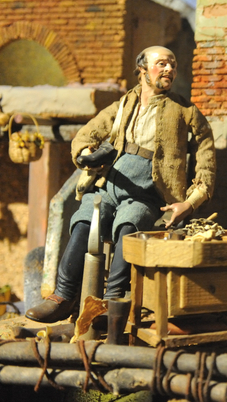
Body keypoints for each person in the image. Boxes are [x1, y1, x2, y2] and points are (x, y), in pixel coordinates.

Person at [26, 46, 216, 323]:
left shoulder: (184, 110)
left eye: (172, 65)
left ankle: (111, 304)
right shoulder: (124, 104)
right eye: (161, 64)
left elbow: (206, 155)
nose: (169, 70)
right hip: (109, 184)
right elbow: (86, 133)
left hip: (149, 193)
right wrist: (87, 156)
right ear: (142, 70)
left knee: (130, 224)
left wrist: (190, 201)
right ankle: (63, 296)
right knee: (84, 221)